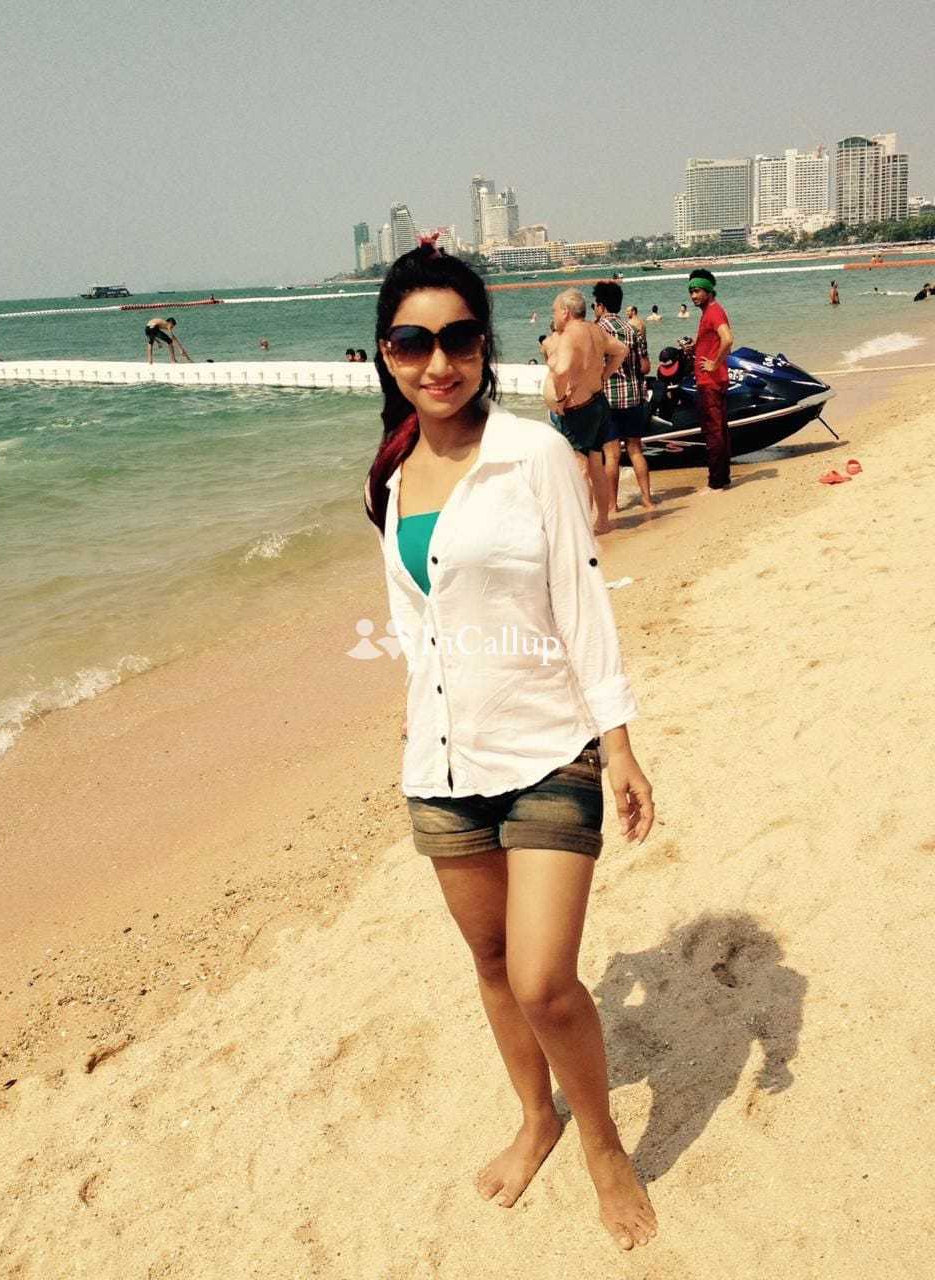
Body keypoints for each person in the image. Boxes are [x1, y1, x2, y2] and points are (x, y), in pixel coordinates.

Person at [364, 241, 658, 1252]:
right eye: (413, 342)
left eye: (458, 339)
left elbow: (581, 599)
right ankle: (538, 1117)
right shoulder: (392, 474)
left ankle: (603, 1143)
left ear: (485, 346)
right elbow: (412, 613)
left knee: (542, 978)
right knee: (490, 961)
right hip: (443, 766)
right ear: (387, 353)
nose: (437, 362)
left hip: (549, 747)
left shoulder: (531, 454)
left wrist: (620, 742)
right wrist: (416, 697)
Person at [544, 289, 626, 534]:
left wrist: (559, 398)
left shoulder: (569, 335)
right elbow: (621, 350)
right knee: (596, 465)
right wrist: (603, 375)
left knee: (580, 469)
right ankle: (602, 521)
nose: (554, 315)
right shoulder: (594, 329)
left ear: (565, 312)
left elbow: (561, 370)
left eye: (554, 311)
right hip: (598, 402)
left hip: (579, 409)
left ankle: (581, 527)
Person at [592, 282, 654, 513]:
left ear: (600, 305)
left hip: (607, 398)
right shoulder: (633, 329)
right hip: (634, 396)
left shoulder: (596, 330)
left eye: (594, 305)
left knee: (612, 455)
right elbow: (645, 366)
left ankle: (612, 505)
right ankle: (647, 499)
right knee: (635, 449)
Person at [687, 269, 733, 492]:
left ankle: (716, 483)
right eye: (691, 292)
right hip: (712, 381)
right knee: (719, 430)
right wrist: (695, 348)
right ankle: (723, 478)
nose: (693, 296)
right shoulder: (710, 311)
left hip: (711, 382)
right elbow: (716, 342)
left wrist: (714, 364)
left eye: (697, 291)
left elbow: (728, 339)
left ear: (708, 290)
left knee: (713, 433)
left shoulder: (714, 312)